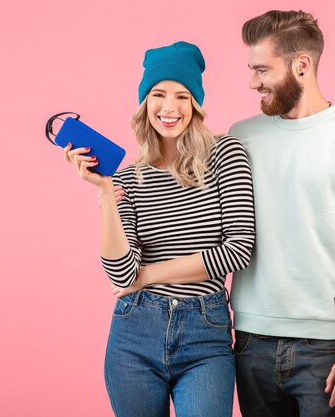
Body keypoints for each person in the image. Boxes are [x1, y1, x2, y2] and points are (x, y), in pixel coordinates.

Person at [63, 41, 255, 417]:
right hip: (134, 332)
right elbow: (121, 272)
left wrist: (147, 275)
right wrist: (105, 193)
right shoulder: (128, 179)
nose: (170, 108)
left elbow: (238, 250)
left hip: (205, 331)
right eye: (159, 95)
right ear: (144, 102)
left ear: (196, 105)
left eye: (182, 96)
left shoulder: (225, 153)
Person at [228, 10, 335, 417]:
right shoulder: (240, 136)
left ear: (301, 65)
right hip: (250, 340)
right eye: (251, 70)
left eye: (262, 70)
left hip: (328, 349)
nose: (253, 82)